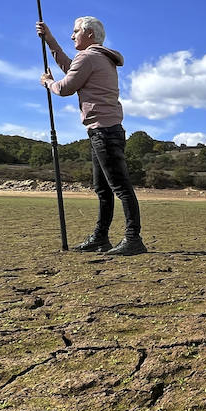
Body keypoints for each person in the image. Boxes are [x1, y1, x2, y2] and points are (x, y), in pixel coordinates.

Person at [36, 16, 147, 255]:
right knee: (103, 188)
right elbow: (71, 69)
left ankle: (133, 239)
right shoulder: (97, 58)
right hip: (106, 130)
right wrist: (51, 41)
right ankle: (101, 238)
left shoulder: (88, 57)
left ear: (88, 34)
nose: (72, 35)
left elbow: (66, 87)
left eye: (75, 31)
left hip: (104, 131)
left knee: (119, 186)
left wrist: (48, 83)